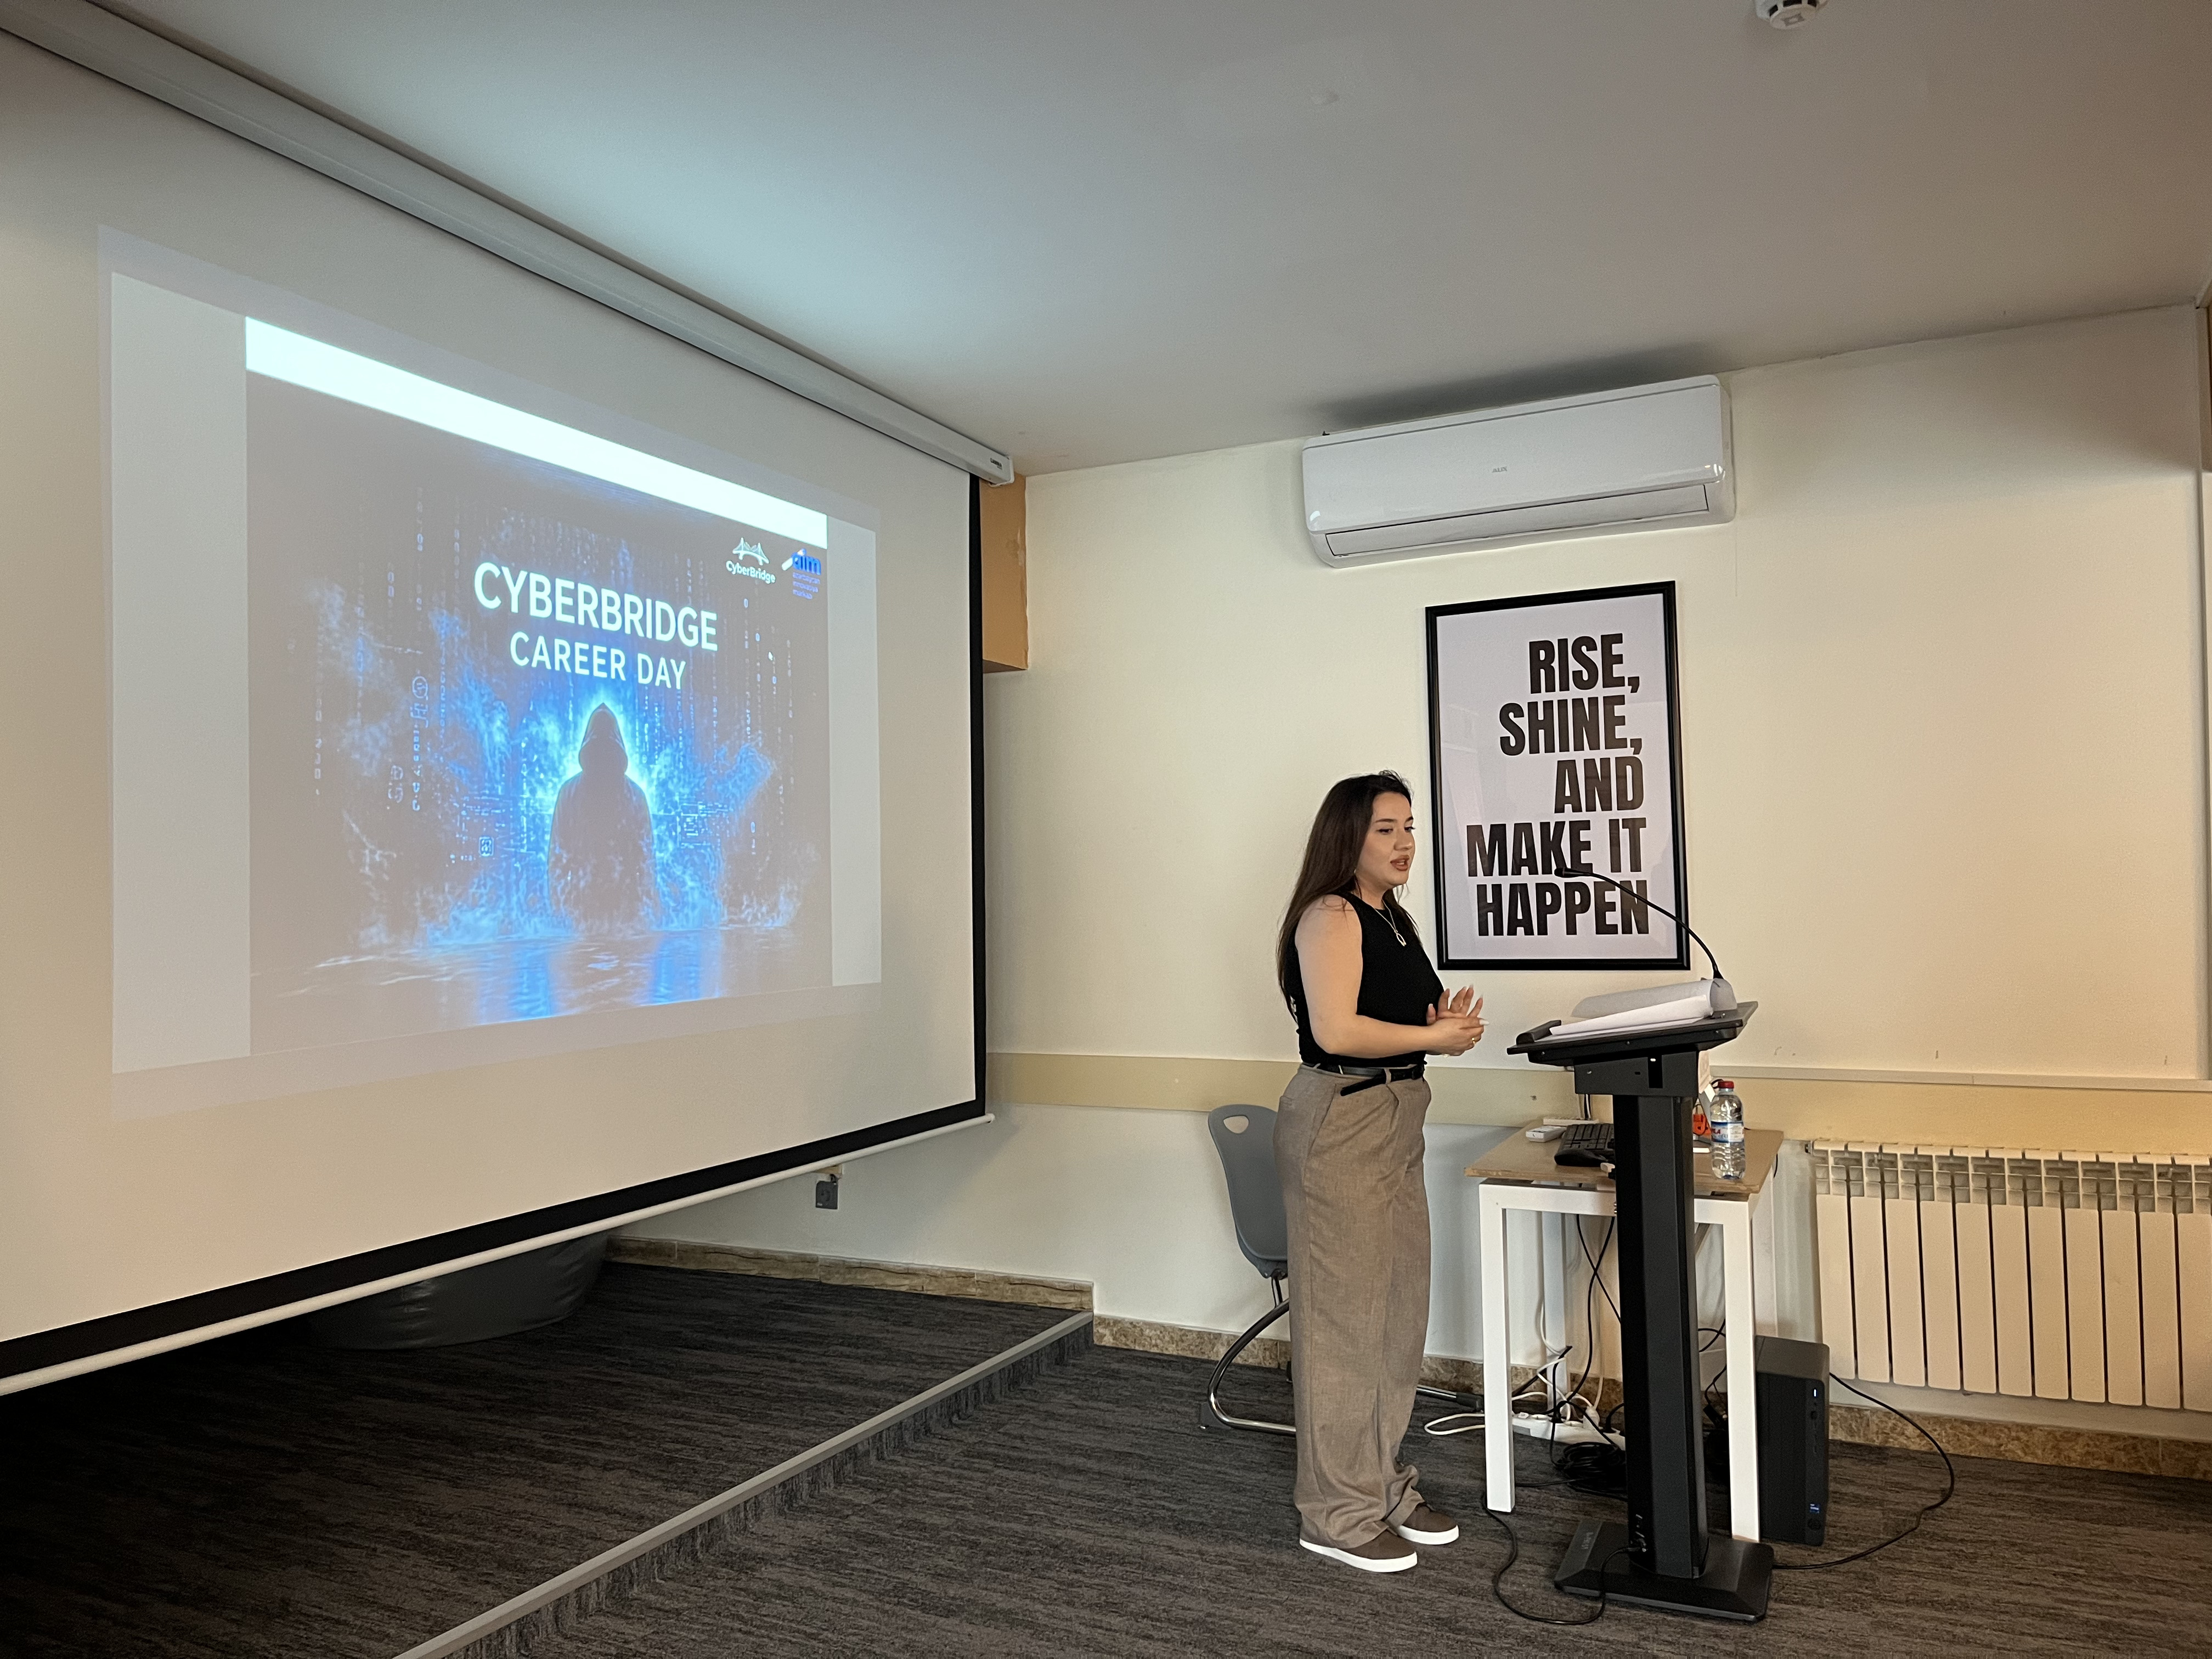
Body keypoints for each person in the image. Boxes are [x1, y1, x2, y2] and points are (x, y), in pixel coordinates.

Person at [1274, 771, 1483, 1574]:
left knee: (1396, 1314)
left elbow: (1387, 1021)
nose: (1404, 844)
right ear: (1348, 838)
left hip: (1397, 1116)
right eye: (1385, 829)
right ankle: (1334, 1513)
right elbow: (1335, 1030)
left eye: (1409, 827)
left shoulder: (1392, 918)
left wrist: (1436, 1026)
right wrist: (1432, 1040)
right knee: (1343, 1325)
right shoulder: (1329, 915)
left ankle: (1381, 1485)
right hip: (1342, 1118)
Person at [548, 704, 658, 932]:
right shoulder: (569, 793)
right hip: (585, 906)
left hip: (622, 908)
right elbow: (557, 857)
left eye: (607, 751)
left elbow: (646, 860)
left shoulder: (634, 796)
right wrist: (558, 906)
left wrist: (646, 905)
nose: (602, 758)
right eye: (598, 751)